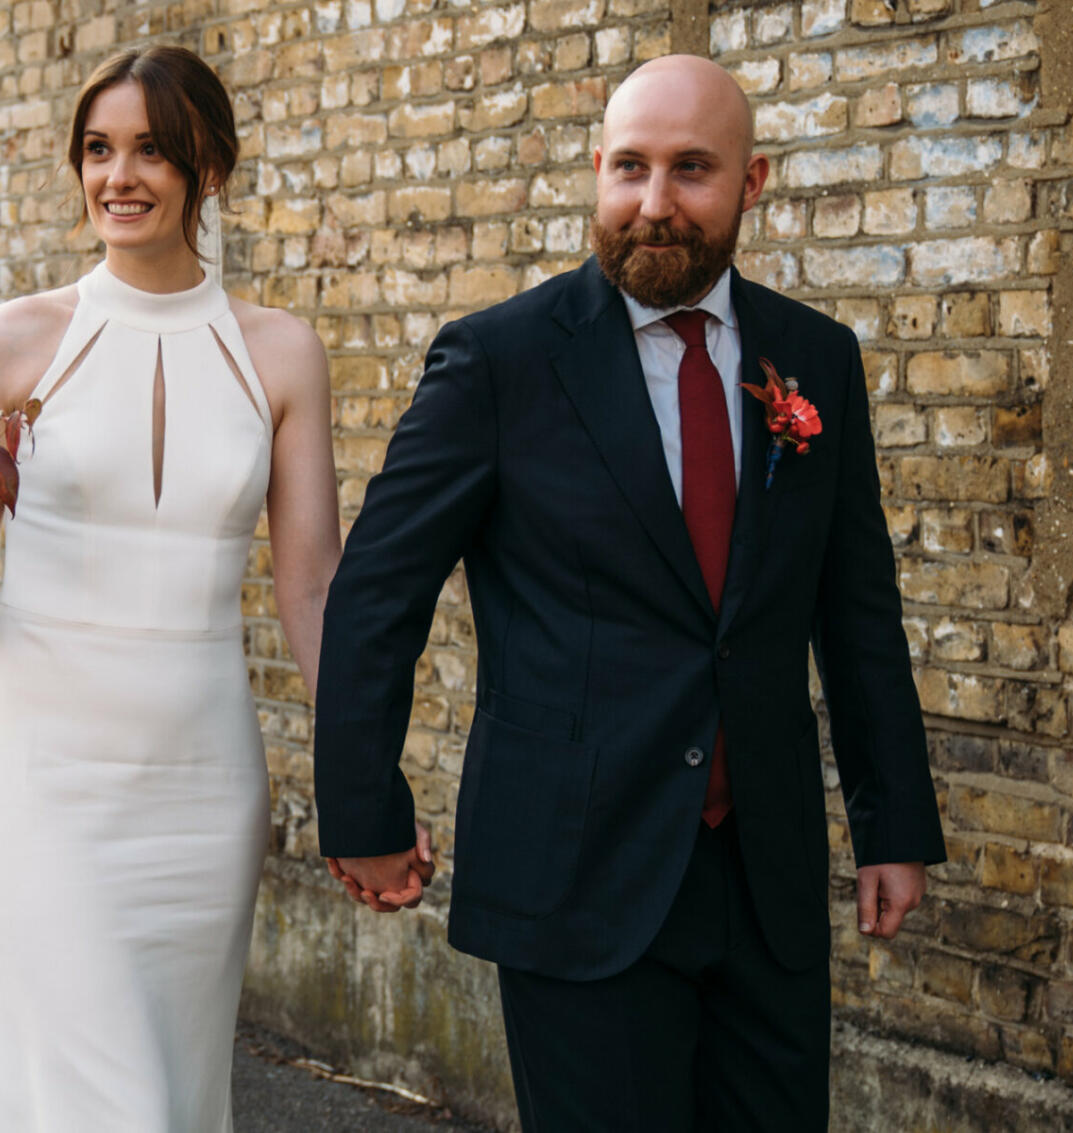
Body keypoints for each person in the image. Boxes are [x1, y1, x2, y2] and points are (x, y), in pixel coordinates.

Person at [312, 54, 947, 1131]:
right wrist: (361, 810)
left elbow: (854, 606)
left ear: (749, 185)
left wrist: (891, 823)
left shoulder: (815, 359)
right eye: (627, 168)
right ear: (596, 173)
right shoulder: (497, 361)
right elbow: (378, 592)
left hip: (763, 874)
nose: (652, 204)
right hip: (576, 869)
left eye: (690, 170)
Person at [0, 46, 342, 1132]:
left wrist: (357, 770)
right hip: (42, 780)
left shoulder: (281, 355)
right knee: (104, 1097)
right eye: (97, 149)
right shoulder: (13, 341)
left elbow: (311, 584)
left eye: (150, 150)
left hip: (201, 785)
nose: (117, 176)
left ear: (209, 168)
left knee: (172, 1095)